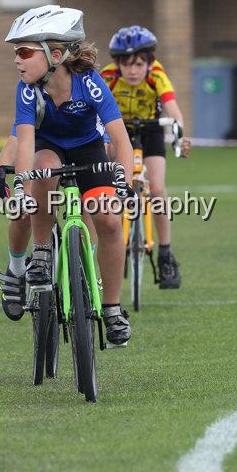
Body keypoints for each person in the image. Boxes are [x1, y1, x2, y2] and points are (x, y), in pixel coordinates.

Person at [5, 5, 134, 346]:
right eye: (16, 53)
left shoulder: (90, 83)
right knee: (43, 167)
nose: (17, 60)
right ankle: (43, 251)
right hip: (48, 147)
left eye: (24, 52)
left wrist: (125, 182)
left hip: (88, 149)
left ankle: (112, 308)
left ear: (55, 54)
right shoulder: (27, 90)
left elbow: (119, 138)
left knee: (108, 221)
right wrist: (20, 184)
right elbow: (25, 142)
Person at [100, 25, 191, 289]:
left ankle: (165, 253)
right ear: (117, 64)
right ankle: (114, 243)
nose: (132, 71)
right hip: (119, 133)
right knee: (115, 188)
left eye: (139, 64)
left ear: (149, 62)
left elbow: (174, 111)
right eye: (126, 65)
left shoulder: (157, 75)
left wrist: (179, 136)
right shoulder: (106, 77)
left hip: (150, 131)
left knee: (158, 188)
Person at [0, 124, 103, 321]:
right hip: (45, 158)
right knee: (24, 209)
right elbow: (15, 141)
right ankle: (16, 270)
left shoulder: (89, 100)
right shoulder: (40, 100)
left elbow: (109, 145)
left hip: (84, 153)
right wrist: (1, 179)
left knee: (91, 204)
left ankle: (84, 266)